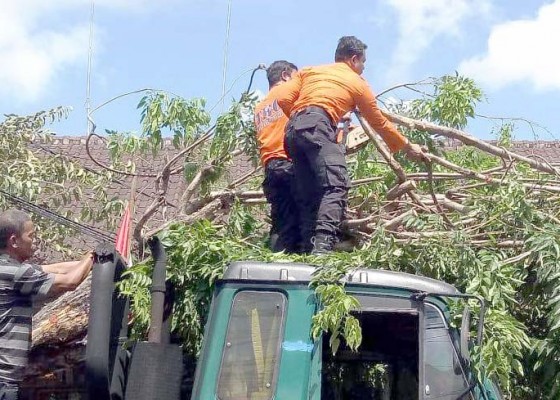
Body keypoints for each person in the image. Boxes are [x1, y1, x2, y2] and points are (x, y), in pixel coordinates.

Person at [277, 36, 428, 254]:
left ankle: (306, 250)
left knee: (311, 193)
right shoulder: (357, 83)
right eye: (363, 63)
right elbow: (378, 122)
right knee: (336, 185)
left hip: (292, 131)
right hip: (317, 126)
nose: (363, 68)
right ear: (354, 59)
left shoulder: (310, 71)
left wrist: (302, 119)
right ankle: (322, 250)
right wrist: (406, 146)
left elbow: (282, 98)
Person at [0, 209, 94, 399]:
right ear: (14, 241)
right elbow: (70, 281)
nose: (34, 241)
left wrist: (94, 260)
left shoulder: (11, 268)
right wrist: (93, 255)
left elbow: (58, 268)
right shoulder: (15, 273)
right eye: (31, 236)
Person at [254, 60, 301, 253]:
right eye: (296, 78)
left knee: (281, 223)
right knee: (305, 217)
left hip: (271, 169)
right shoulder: (286, 94)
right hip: (288, 164)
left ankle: (275, 261)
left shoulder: (260, 107)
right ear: (285, 76)